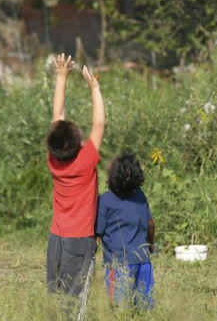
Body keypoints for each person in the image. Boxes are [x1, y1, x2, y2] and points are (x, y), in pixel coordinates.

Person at [45, 53, 105, 308]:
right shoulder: (86, 161)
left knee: (56, 293)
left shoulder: (54, 159)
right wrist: (95, 88)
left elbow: (56, 118)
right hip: (79, 238)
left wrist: (61, 76)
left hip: (56, 237)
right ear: (79, 142)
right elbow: (99, 123)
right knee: (73, 299)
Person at [95, 154, 155, 310]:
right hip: (143, 261)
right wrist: (150, 244)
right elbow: (150, 223)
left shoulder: (105, 200)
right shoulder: (140, 195)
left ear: (111, 177)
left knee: (118, 310)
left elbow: (97, 235)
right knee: (144, 308)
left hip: (119, 265)